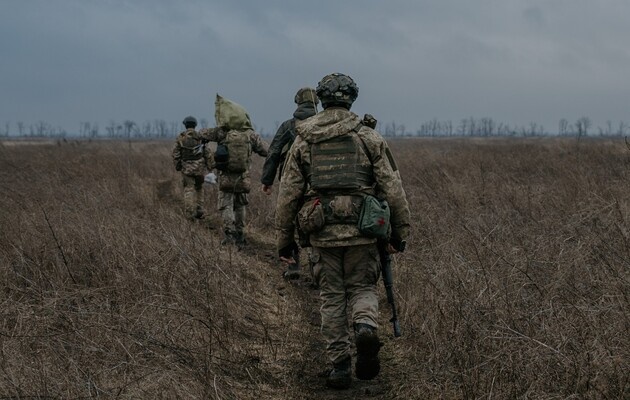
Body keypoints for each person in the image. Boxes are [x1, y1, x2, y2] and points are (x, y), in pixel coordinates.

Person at [275, 73, 410, 389]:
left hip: (321, 233)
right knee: (363, 288)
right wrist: (398, 233)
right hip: (364, 230)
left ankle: (339, 368)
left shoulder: (304, 139)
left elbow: (288, 195)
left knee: (332, 297)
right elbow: (393, 187)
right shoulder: (368, 137)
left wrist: (285, 241)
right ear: (352, 99)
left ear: (322, 100)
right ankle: (364, 326)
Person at [261, 87, 319, 279]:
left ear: (297, 102)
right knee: (315, 219)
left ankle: (293, 264)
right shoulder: (324, 124)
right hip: (318, 182)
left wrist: (267, 181)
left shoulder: (289, 126)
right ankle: (317, 269)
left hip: (291, 181)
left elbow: (274, 152)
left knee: (291, 221)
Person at [200, 120, 268, 247]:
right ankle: (240, 235)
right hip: (243, 178)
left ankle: (229, 235)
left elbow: (202, 134)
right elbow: (265, 150)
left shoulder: (221, 132)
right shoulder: (250, 134)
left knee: (227, 206)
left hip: (225, 177)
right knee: (240, 205)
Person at [172, 116, 210, 220]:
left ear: (185, 125)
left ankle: (189, 214)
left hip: (186, 168)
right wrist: (209, 165)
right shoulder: (200, 137)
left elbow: (175, 153)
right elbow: (207, 152)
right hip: (200, 168)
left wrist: (178, 165)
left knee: (188, 189)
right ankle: (199, 210)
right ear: (195, 125)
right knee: (199, 188)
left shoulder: (181, 137)